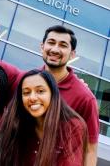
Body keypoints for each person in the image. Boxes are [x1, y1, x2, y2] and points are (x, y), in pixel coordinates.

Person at [0, 69, 87, 166]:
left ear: (52, 94)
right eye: (26, 93)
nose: (32, 98)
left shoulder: (72, 127)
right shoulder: (15, 122)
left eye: (40, 91)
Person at [40, 25, 99, 165]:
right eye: (51, 42)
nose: (55, 49)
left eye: (63, 45)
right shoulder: (27, 84)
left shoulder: (85, 97)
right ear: (42, 46)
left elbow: (90, 149)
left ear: (72, 54)